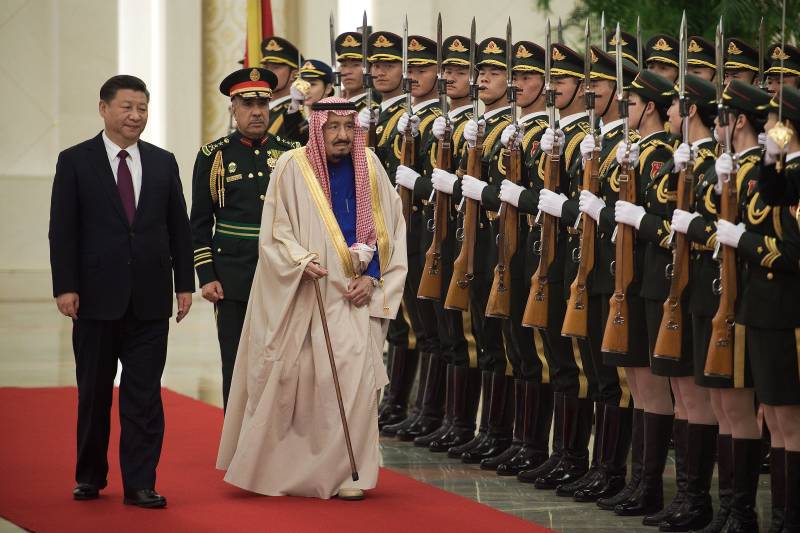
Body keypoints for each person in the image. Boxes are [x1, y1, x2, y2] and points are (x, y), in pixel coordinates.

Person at [217, 97, 407, 501]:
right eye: (332, 127)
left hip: (356, 295)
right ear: (315, 129)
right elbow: (275, 230)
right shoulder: (291, 166)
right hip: (307, 292)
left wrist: (373, 279)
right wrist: (298, 261)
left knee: (356, 381)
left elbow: (391, 227)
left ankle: (350, 475)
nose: (341, 135)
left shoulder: (370, 165)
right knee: (306, 384)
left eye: (348, 127)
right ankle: (293, 470)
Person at [48, 74, 194, 508]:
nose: (135, 116)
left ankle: (140, 482)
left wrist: (184, 284)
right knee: (93, 392)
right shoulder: (75, 160)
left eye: (142, 109)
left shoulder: (163, 161)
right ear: (104, 109)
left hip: (150, 297)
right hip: (94, 297)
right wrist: (65, 286)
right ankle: (90, 474)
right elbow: (63, 230)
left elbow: (178, 229)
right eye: (127, 107)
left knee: (144, 395)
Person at [190, 67, 298, 410]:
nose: (257, 112)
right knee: (236, 360)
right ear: (233, 108)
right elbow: (199, 222)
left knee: (282, 360)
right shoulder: (213, 156)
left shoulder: (292, 153)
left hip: (281, 272)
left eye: (263, 104)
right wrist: (206, 276)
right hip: (233, 274)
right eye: (248, 104)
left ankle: (277, 438)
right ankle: (236, 439)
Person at [260, 36, 304, 142]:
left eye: (276, 67)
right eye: (266, 67)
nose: (268, 72)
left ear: (294, 74)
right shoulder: (262, 107)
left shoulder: (295, 111)